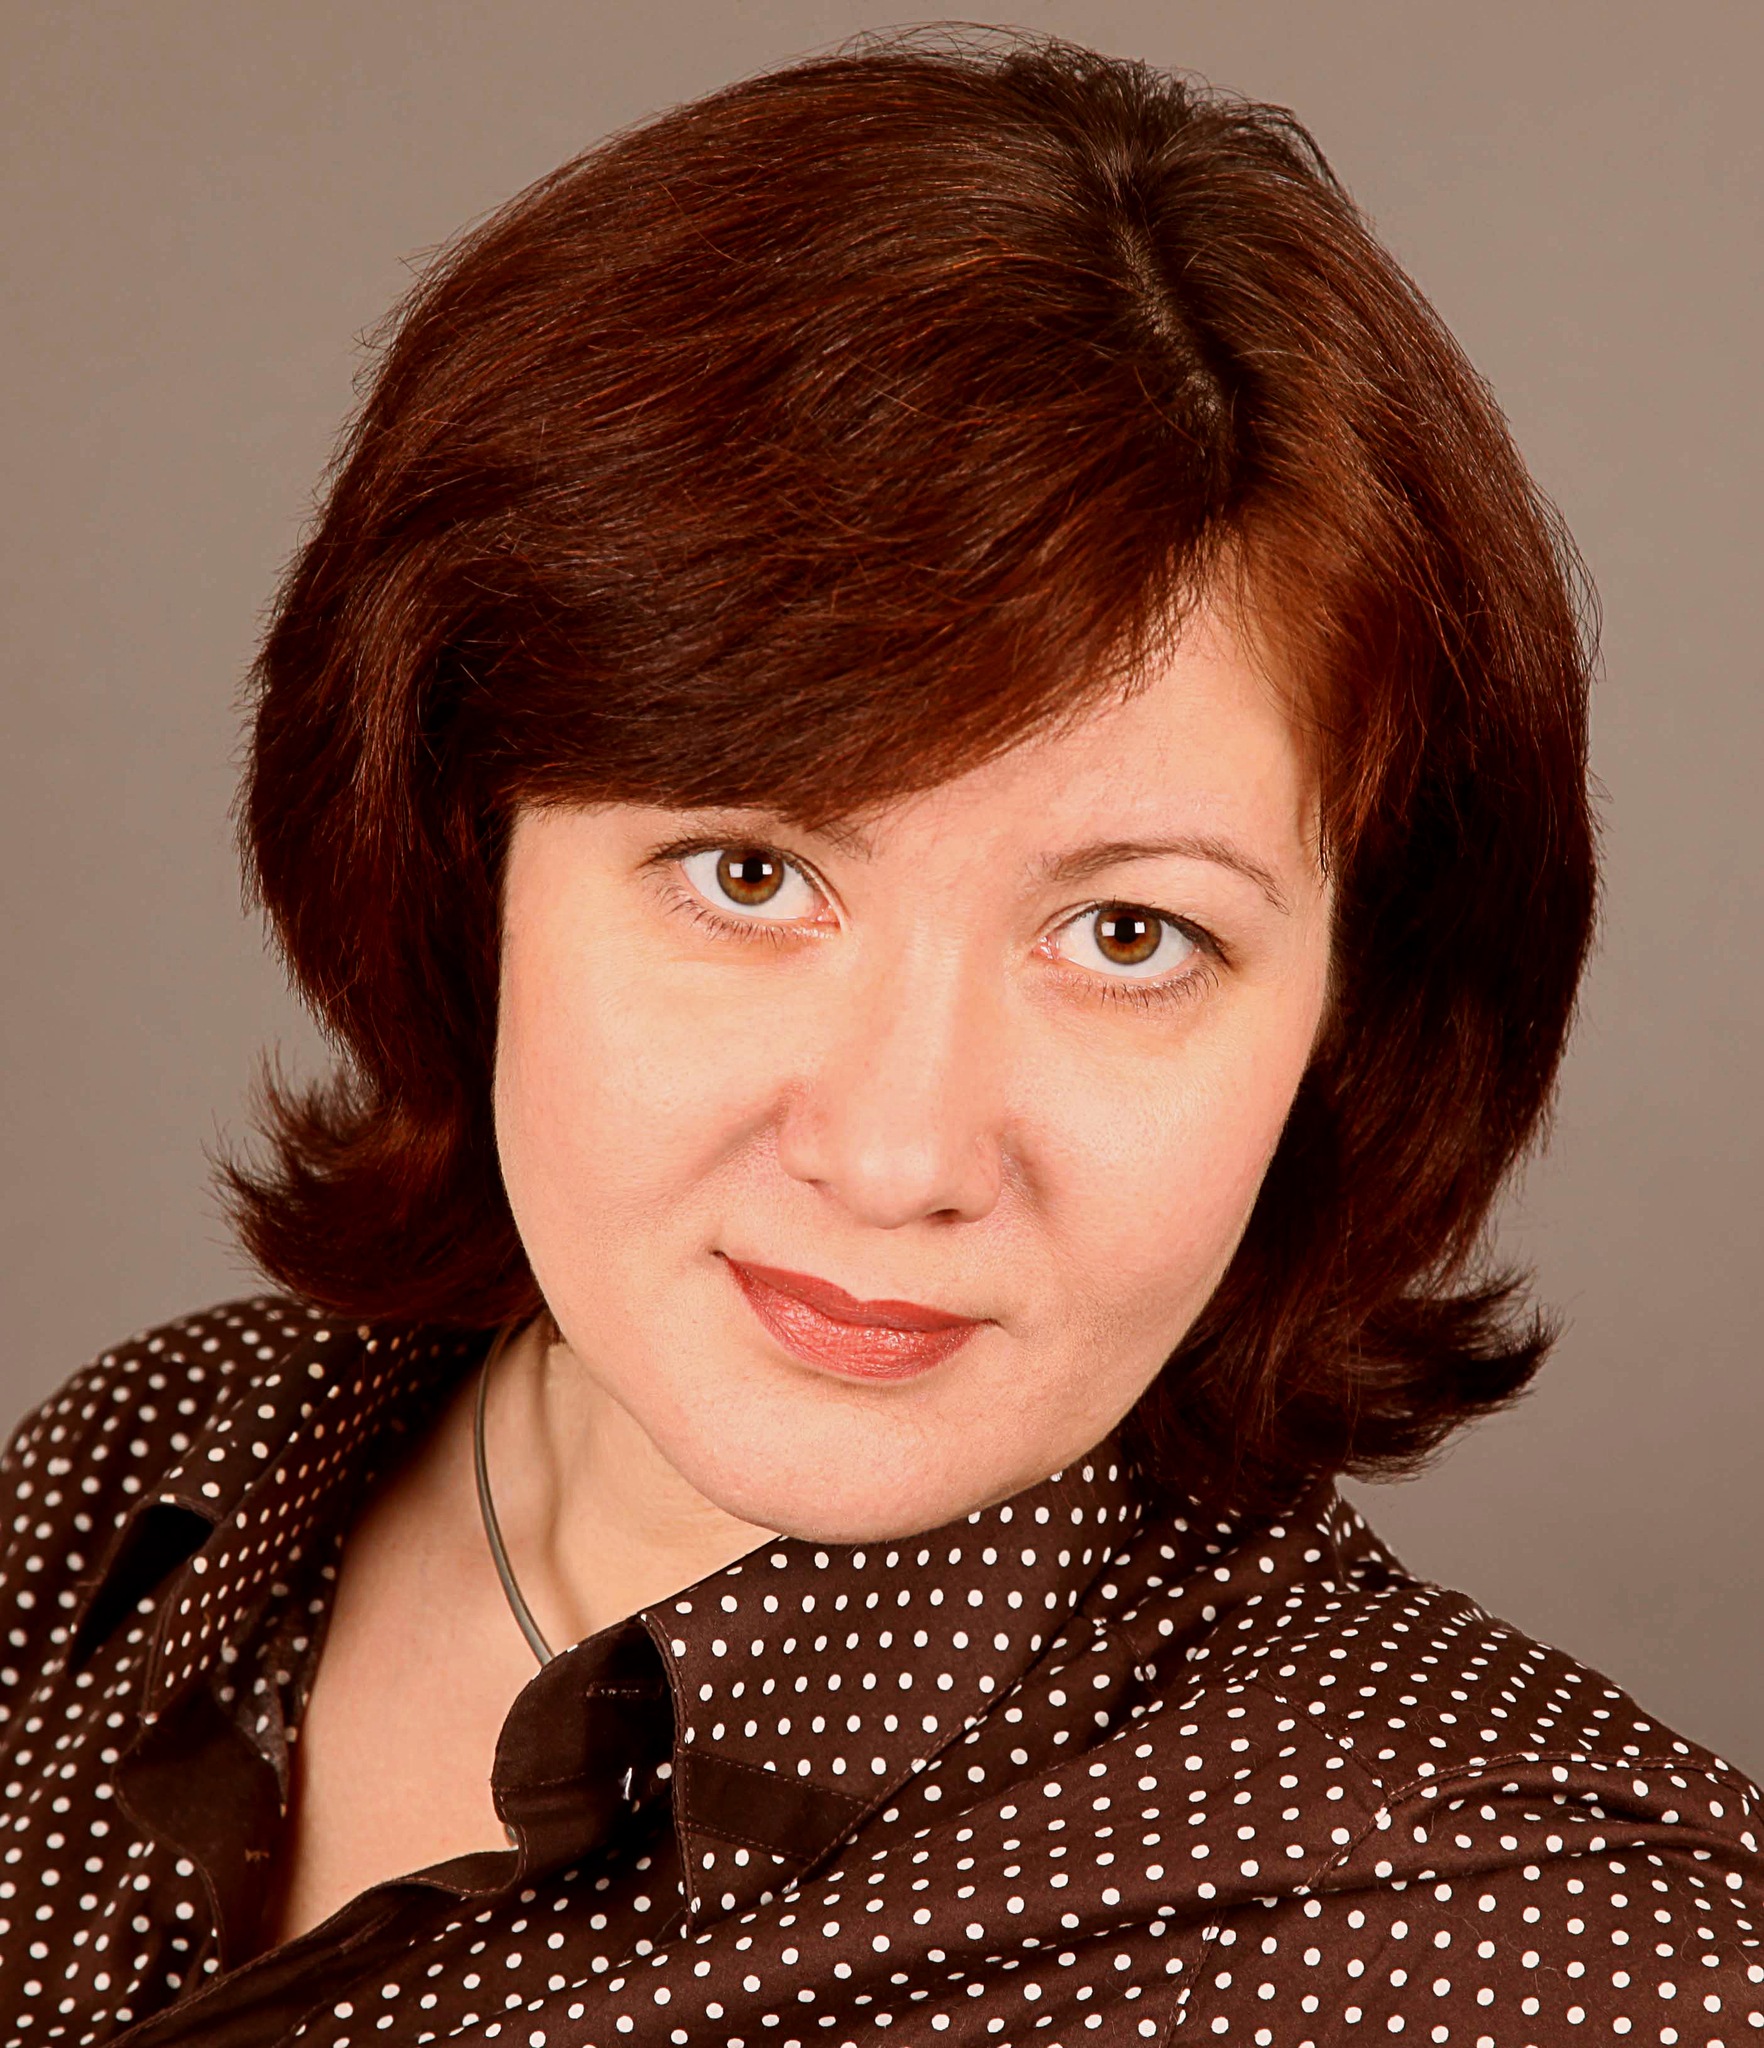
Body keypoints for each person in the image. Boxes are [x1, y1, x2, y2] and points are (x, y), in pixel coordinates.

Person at [1, 30, 1758, 2047]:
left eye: (1129, 934)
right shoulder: (146, 1479)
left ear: (1351, 1021)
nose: (899, 1148)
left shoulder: (1536, 1949)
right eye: (750, 874)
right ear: (466, 848)